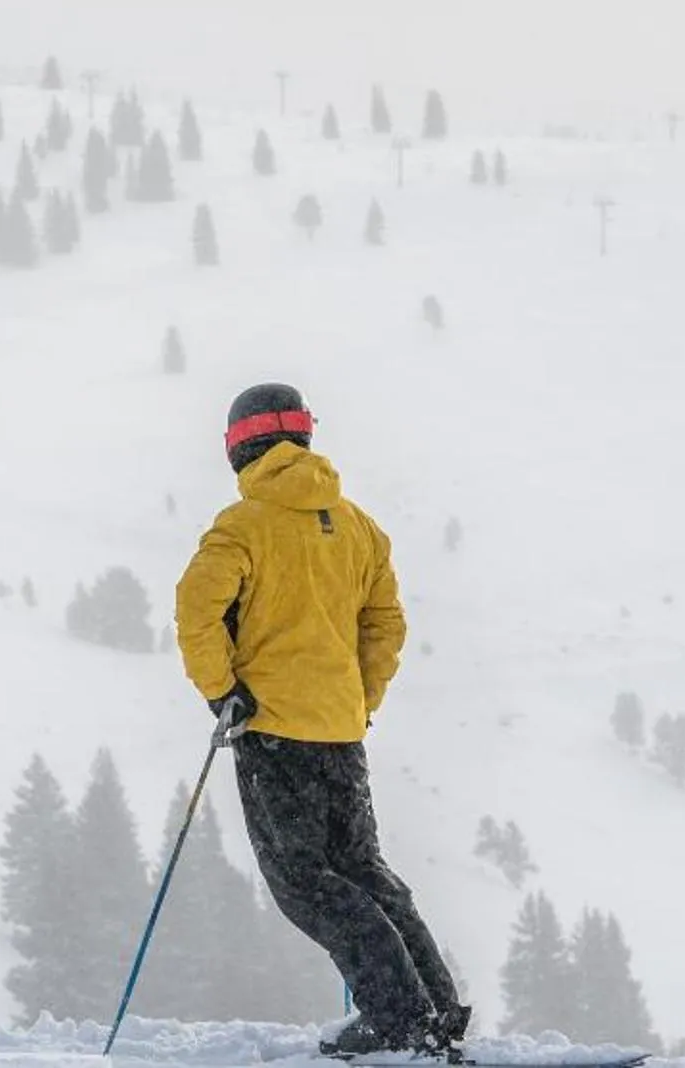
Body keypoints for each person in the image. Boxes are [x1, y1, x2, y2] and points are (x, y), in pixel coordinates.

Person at [175, 383, 466, 1057]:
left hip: (274, 729)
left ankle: (397, 1019)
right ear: (304, 436)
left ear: (238, 446)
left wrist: (223, 691)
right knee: (362, 868)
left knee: (305, 883)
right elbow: (385, 621)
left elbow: (196, 613)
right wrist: (360, 697)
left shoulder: (240, 526)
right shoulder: (358, 525)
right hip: (340, 728)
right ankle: (436, 1011)